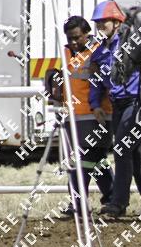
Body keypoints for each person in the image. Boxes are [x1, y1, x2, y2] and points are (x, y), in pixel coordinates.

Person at [46, 16, 114, 216]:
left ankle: (79, 202)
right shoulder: (66, 52)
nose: (73, 42)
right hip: (73, 116)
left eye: (77, 37)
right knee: (96, 160)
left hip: (95, 115)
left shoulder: (99, 51)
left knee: (82, 160)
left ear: (87, 34)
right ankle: (111, 199)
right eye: (70, 38)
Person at [89, 0, 141, 218]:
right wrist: (95, 104)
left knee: (122, 149)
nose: (100, 26)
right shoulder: (99, 52)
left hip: (134, 103)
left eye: (104, 22)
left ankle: (118, 203)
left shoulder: (130, 44)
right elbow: (96, 81)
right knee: (133, 154)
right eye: (98, 22)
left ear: (116, 22)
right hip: (117, 105)